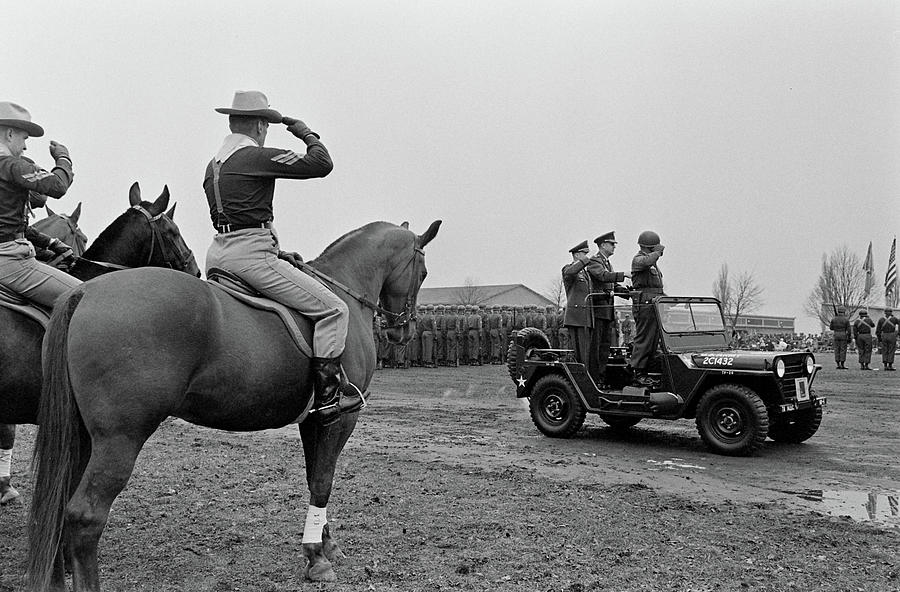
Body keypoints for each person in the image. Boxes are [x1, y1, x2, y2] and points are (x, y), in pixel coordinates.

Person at [203, 90, 359, 423]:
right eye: (267, 126)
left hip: (218, 256)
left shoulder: (213, 166)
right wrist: (305, 132)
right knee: (335, 310)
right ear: (260, 125)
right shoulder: (252, 157)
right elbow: (321, 163)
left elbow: (241, 212)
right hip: (251, 257)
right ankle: (328, 399)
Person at [0, 101, 80, 308]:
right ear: (10, 134)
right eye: (24, 138)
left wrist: (50, 243)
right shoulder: (12, 165)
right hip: (10, 262)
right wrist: (63, 158)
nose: (25, 146)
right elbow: (58, 186)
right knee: (86, 298)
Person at [586, 231, 629, 387]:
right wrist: (622, 274)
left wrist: (627, 292)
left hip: (606, 312)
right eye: (612, 244)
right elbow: (603, 277)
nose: (614, 247)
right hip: (598, 312)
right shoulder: (594, 261)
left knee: (605, 348)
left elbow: (611, 284)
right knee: (595, 350)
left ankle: (601, 378)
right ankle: (593, 379)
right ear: (603, 245)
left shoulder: (607, 263)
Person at [630, 230, 666, 386]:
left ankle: (647, 370)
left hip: (655, 303)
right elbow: (645, 262)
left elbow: (656, 287)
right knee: (644, 338)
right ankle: (638, 372)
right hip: (644, 304)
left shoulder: (653, 264)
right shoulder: (638, 259)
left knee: (653, 339)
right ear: (650, 247)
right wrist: (657, 252)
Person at [562, 240, 593, 365]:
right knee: (579, 352)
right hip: (576, 317)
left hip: (586, 317)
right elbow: (570, 272)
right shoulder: (568, 269)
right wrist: (585, 261)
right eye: (584, 253)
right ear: (576, 255)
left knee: (586, 352)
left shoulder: (585, 273)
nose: (587, 256)